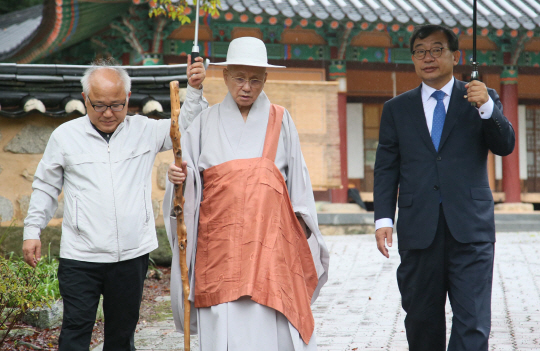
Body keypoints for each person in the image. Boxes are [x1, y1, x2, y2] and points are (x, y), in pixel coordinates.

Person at [164, 37, 329, 351]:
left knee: (271, 328)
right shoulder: (204, 123)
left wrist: (295, 233)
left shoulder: (281, 120)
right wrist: (178, 182)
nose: (246, 87)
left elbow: (300, 190)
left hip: (270, 247)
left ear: (266, 79)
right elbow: (187, 189)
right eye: (239, 78)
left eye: (255, 79)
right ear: (225, 77)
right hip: (220, 250)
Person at [374, 24, 515, 351]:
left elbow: (505, 145)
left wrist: (487, 109)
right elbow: (386, 167)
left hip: (471, 229)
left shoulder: (479, 97)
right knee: (422, 321)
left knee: (473, 321)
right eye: (420, 51)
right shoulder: (396, 109)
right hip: (419, 229)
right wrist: (383, 218)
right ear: (413, 59)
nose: (428, 58)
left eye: (437, 50)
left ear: (455, 56)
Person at [22, 58, 172, 351]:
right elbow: (45, 186)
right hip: (81, 256)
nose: (107, 113)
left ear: (127, 99)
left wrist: (194, 90)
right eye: (99, 105)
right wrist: (31, 230)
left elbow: (188, 126)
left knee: (121, 333)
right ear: (85, 100)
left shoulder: (146, 131)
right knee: (76, 330)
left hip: (131, 254)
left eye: (116, 105)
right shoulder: (65, 136)